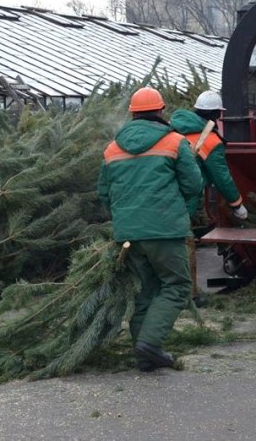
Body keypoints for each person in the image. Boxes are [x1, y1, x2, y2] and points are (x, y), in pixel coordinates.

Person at [97, 87, 203, 372]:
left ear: (132, 113)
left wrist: (125, 219)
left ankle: (144, 355)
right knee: (177, 286)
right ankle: (150, 345)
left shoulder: (111, 148)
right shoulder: (174, 142)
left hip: (128, 234)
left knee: (145, 291)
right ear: (160, 111)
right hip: (165, 230)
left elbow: (103, 193)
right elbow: (194, 184)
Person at [171, 91, 248, 302]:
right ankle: (189, 297)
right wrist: (237, 204)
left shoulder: (173, 130)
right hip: (182, 197)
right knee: (182, 242)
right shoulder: (210, 140)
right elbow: (221, 177)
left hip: (161, 191)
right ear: (215, 114)